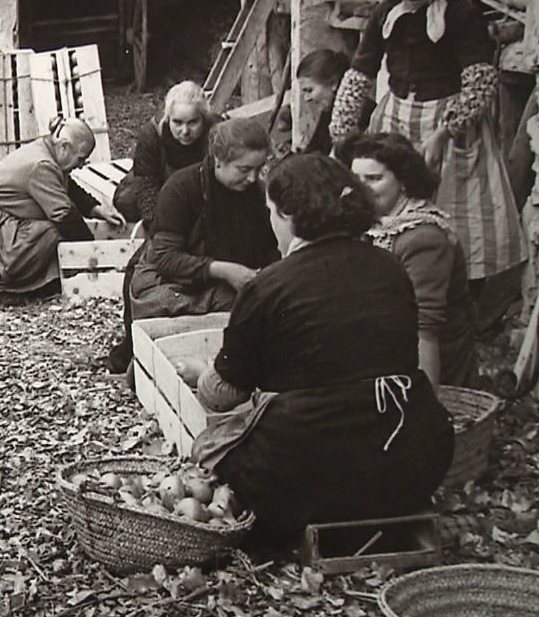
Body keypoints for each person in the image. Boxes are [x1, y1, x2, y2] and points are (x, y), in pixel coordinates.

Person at [191, 154, 453, 553]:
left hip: (307, 467)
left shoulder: (269, 285)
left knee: (208, 447)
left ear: (290, 216)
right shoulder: (390, 268)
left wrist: (203, 373)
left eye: (272, 214)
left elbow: (226, 394)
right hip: (411, 456)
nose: (272, 225)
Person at [328, 0, 525, 289]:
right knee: (385, 198)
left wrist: (444, 133)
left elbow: (481, 81)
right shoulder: (386, 12)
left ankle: (456, 290)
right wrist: (342, 130)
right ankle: (389, 277)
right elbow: (360, 72)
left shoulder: (461, 15)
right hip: (396, 117)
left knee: (453, 205)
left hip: (449, 121)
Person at [338, 133, 478, 387]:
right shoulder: (375, 222)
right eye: (356, 179)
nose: (361, 189)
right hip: (388, 348)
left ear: (403, 182)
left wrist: (427, 405)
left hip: (432, 362)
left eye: (374, 179)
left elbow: (424, 329)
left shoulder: (424, 237)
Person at [128, 116, 280, 320]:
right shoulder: (181, 188)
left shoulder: (255, 192)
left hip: (228, 280)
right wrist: (221, 270)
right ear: (218, 159)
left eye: (258, 169)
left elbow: (268, 248)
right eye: (244, 170)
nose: (252, 178)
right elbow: (165, 258)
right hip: (172, 281)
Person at [0, 117, 123, 296]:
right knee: (55, 230)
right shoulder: (42, 165)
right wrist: (94, 256)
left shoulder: (47, 151)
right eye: (80, 159)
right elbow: (64, 216)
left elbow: (66, 186)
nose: (81, 166)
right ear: (64, 146)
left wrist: (96, 209)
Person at [113, 80, 214, 228]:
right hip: (160, 184)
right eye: (177, 123)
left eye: (193, 123)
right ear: (168, 119)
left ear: (203, 119)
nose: (185, 131)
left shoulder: (216, 132)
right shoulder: (151, 134)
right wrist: (159, 227)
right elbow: (147, 188)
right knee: (126, 200)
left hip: (200, 188)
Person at [293, 48, 365, 155]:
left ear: (333, 83)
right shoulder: (328, 113)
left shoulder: (360, 111)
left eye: (309, 90)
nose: (306, 98)